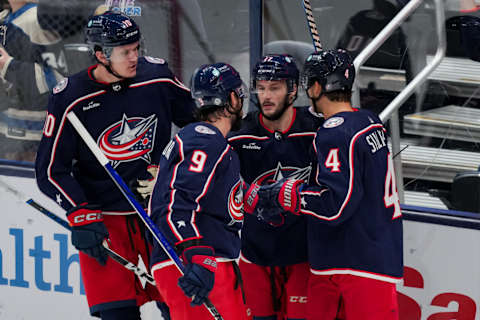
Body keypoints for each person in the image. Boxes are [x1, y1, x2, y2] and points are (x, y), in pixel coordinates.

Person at [35, 11, 196, 319]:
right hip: (106, 224)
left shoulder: (158, 77)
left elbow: (200, 128)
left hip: (157, 215)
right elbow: (50, 171)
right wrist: (80, 212)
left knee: (181, 310)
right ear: (100, 55)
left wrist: (180, 170)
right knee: (116, 314)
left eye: (137, 48)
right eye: (125, 52)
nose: (135, 57)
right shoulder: (70, 98)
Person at [250, 49, 403, 320]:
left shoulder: (335, 132)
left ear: (318, 86)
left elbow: (335, 206)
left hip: (353, 263)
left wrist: (289, 193)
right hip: (368, 256)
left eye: (310, 82)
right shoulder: (369, 120)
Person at [149, 62, 248, 320]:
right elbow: (176, 203)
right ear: (233, 99)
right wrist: (194, 250)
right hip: (194, 262)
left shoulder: (204, 141)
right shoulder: (205, 140)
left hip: (199, 261)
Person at [228, 54, 322, 320]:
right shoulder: (239, 135)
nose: (266, 95)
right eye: (261, 87)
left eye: (275, 88)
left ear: (293, 90)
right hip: (255, 255)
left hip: (303, 256)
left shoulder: (316, 130)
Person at [0, 0, 64, 161]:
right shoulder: (5, 18)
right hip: (6, 129)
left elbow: (58, 77)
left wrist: (9, 66)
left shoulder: (39, 19)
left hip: (34, 136)